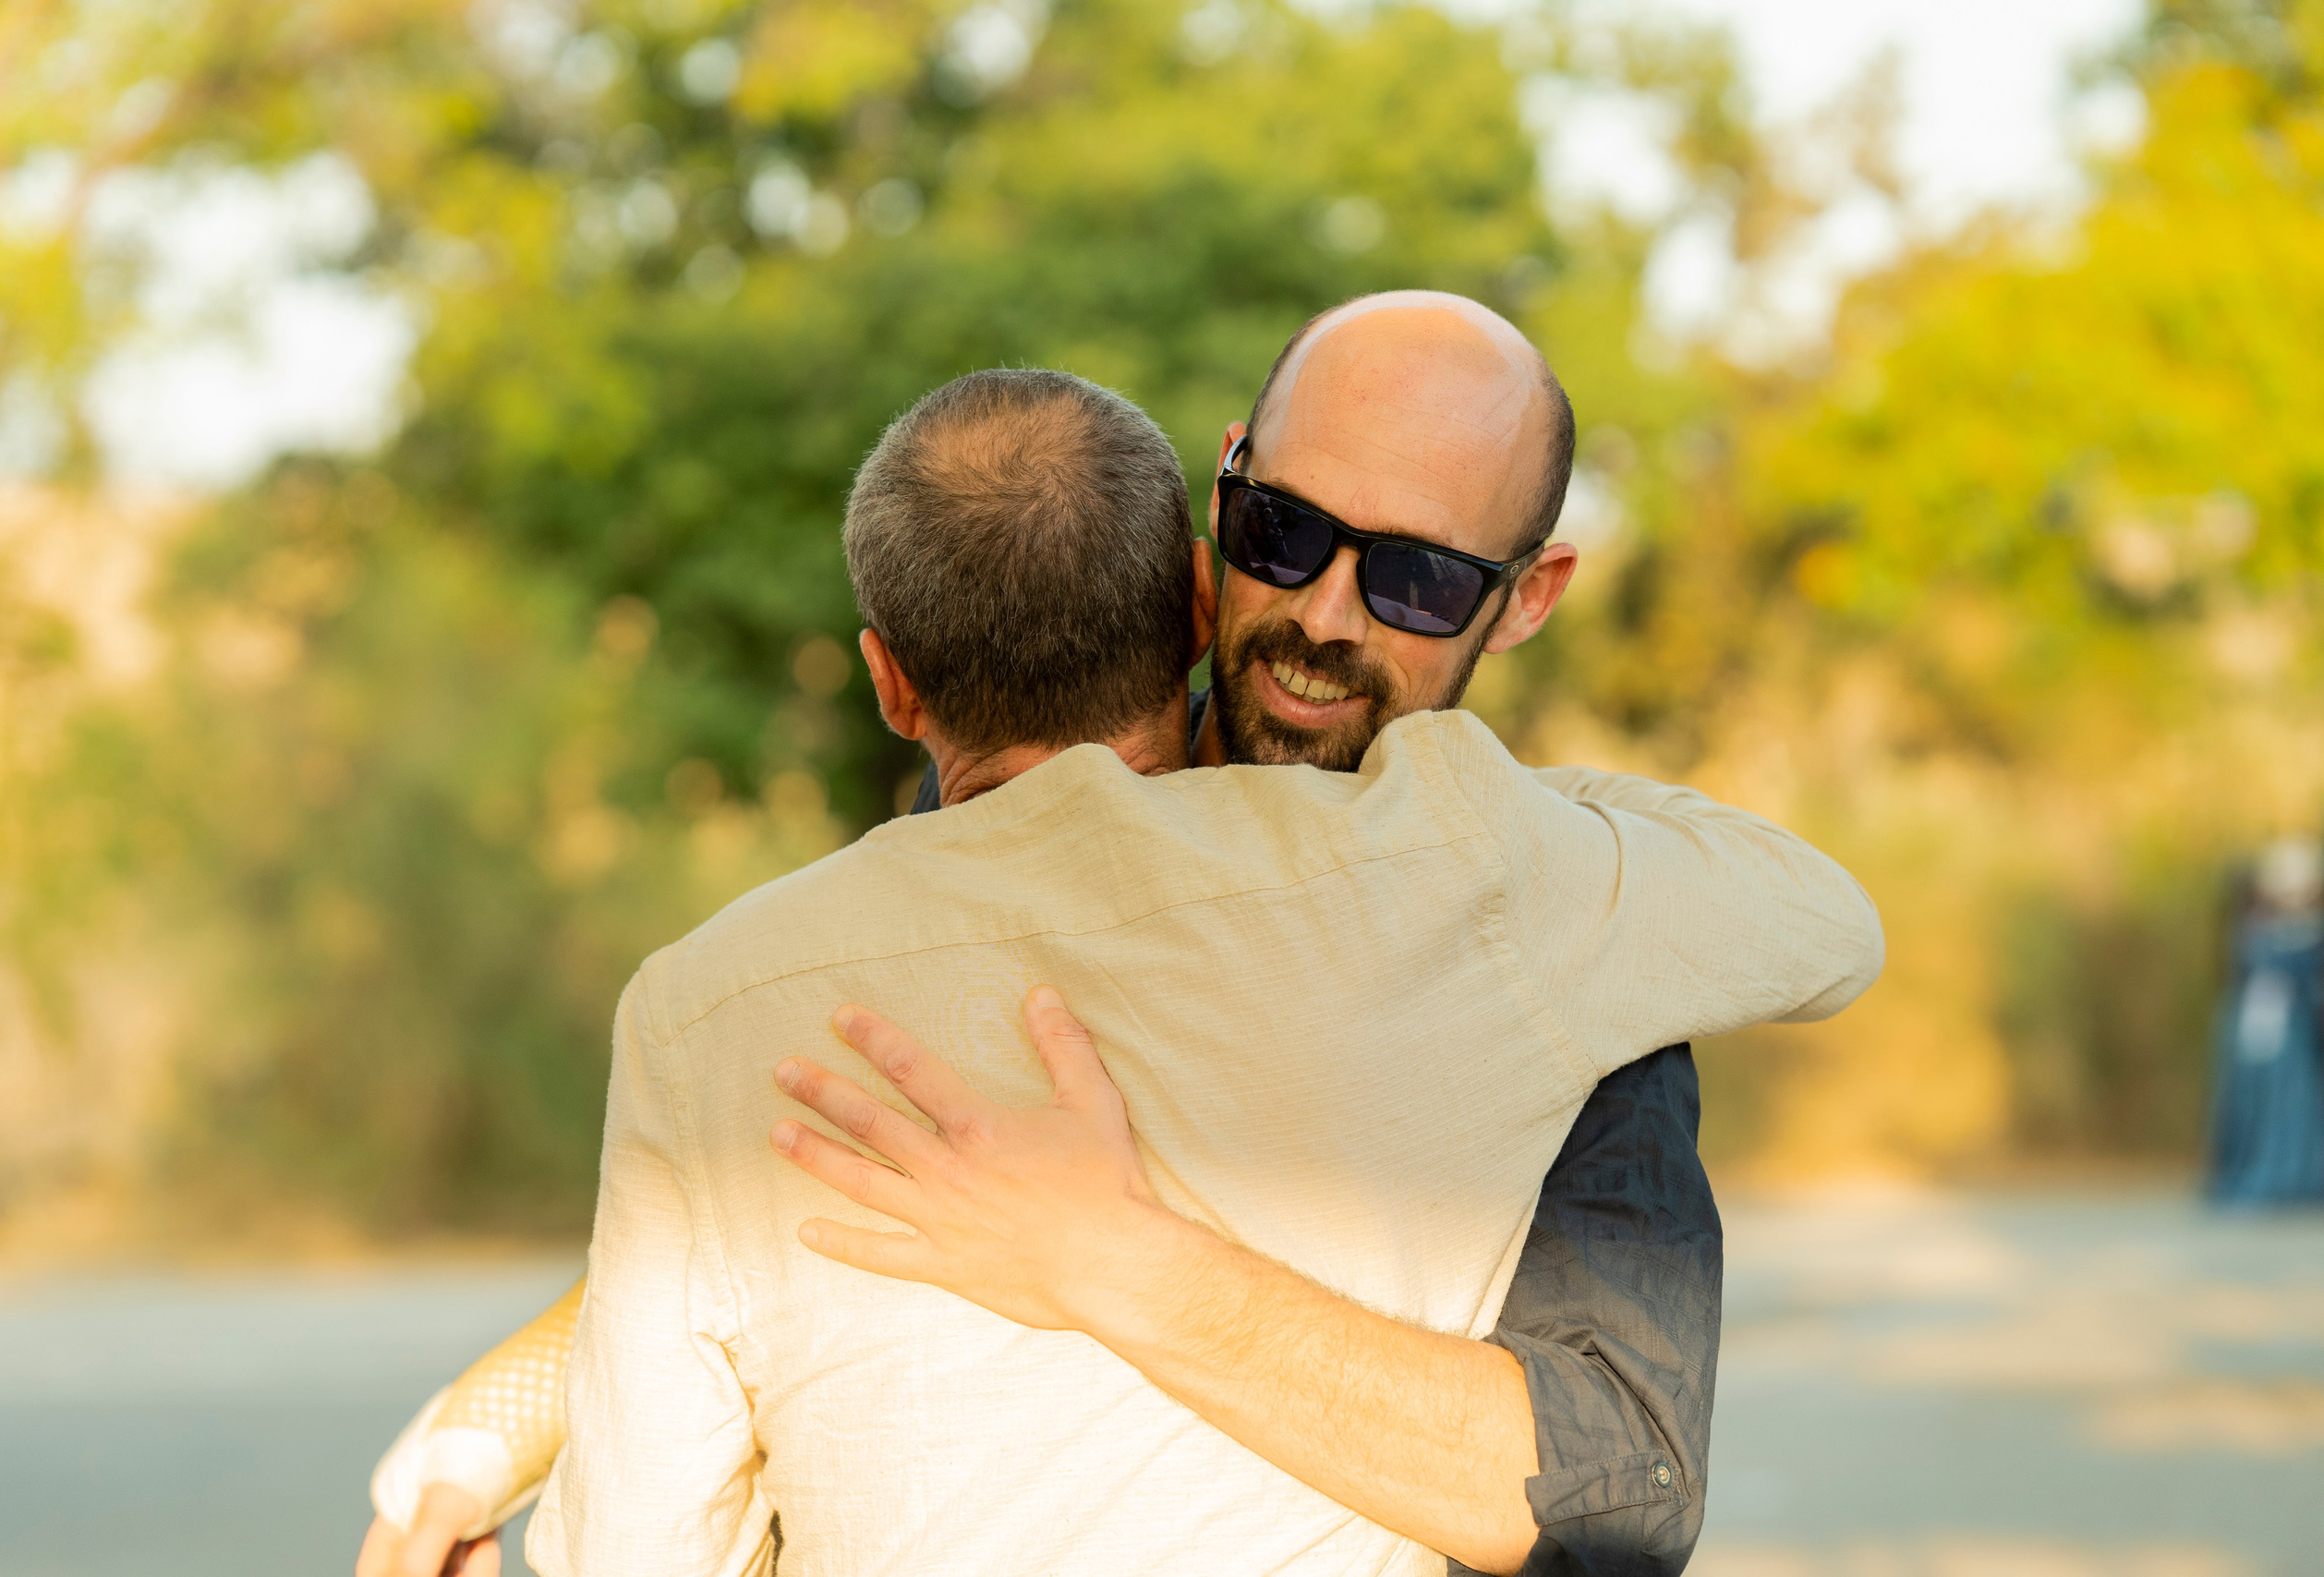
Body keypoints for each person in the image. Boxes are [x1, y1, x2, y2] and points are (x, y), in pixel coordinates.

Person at [357, 297, 1836, 1576]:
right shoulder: (938, 884)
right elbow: (783, 1199)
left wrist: (1119, 1257)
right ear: (1208, 546)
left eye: (1419, 577)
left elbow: (1611, 1490)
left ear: (1528, 600)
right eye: (1287, 534)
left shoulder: (1535, 913)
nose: (1323, 614)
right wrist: (476, 1431)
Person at [2208, 836, 2324, 1204]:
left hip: (2295, 1036)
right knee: (2262, 1109)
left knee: (2295, 1108)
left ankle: (2297, 1173)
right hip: (2268, 1036)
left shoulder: (2291, 934)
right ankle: (2275, 1174)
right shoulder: (2257, 933)